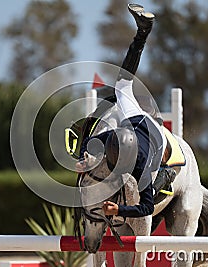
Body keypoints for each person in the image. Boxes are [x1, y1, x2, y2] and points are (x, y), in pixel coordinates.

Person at [76, 4, 170, 218]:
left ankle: (166, 175)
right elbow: (90, 139)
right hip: (135, 120)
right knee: (122, 85)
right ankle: (143, 32)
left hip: (155, 138)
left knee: (152, 184)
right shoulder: (112, 138)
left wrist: (120, 210)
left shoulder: (142, 168)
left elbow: (146, 209)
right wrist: (83, 157)